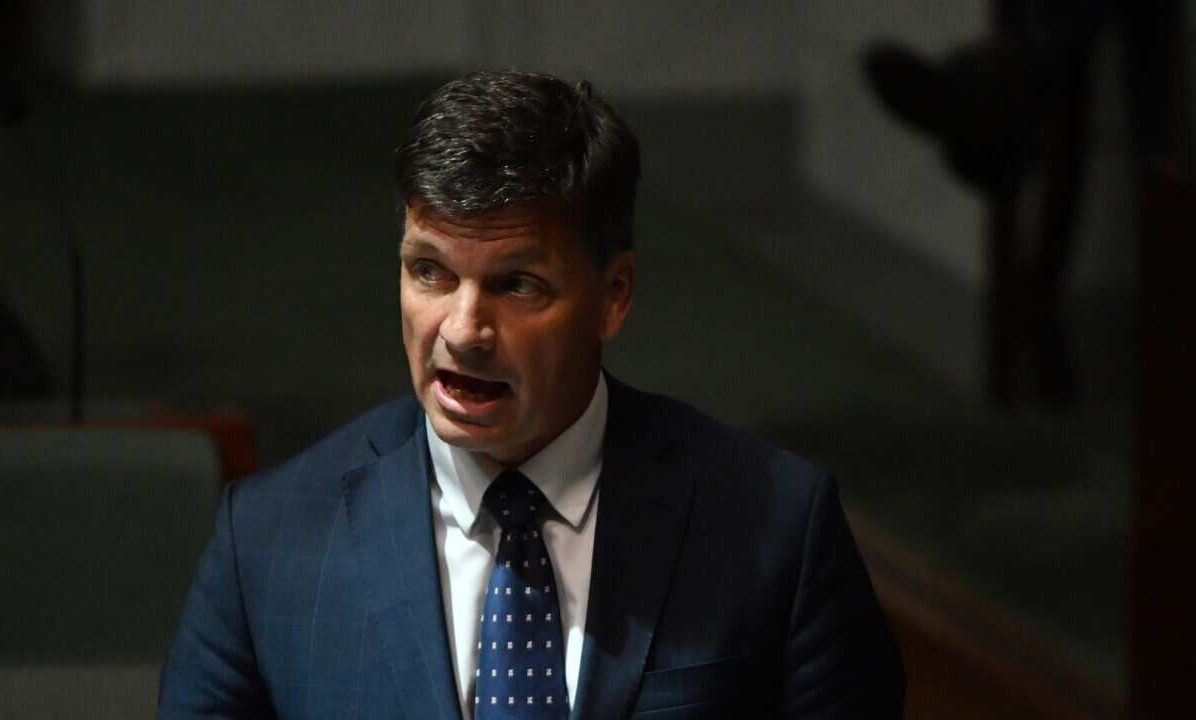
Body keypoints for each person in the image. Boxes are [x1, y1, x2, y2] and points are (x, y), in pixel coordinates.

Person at [159, 70, 904, 719]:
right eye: (429, 272)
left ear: (614, 296)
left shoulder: (777, 530)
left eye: (517, 284)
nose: (463, 331)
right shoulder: (268, 539)